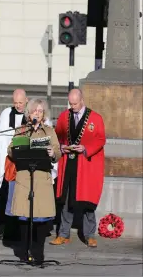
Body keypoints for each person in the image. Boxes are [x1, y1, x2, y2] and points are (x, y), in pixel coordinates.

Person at [7, 98, 61, 264]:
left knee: (40, 220)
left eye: (40, 111)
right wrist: (14, 149)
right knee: (24, 218)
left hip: (41, 179)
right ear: (28, 114)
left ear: (44, 114)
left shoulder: (49, 131)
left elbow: (58, 152)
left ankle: (38, 253)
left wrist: (53, 153)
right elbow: (10, 150)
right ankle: (24, 252)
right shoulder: (21, 130)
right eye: (34, 111)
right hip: (25, 178)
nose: (37, 113)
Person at [50, 88, 106, 248]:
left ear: (82, 100)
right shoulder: (64, 116)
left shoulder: (95, 118)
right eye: (70, 103)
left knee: (87, 202)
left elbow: (101, 139)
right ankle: (63, 234)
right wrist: (62, 147)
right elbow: (57, 136)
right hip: (69, 163)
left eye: (75, 103)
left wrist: (86, 148)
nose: (72, 106)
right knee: (66, 201)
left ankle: (89, 235)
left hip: (85, 166)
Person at [0, 88, 28, 241]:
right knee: (5, 196)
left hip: (25, 163)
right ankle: (3, 228)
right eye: (15, 103)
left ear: (26, 101)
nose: (18, 106)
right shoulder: (6, 113)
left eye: (21, 103)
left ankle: (22, 229)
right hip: (8, 162)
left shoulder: (32, 114)